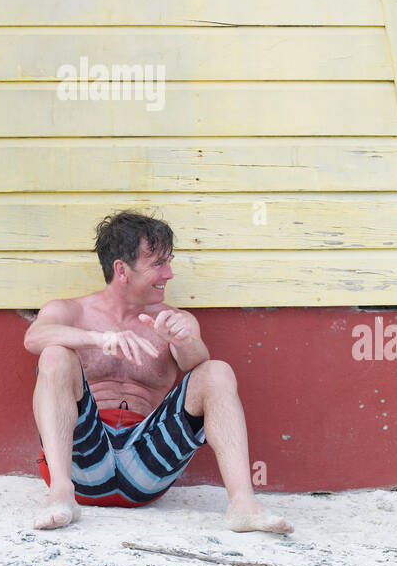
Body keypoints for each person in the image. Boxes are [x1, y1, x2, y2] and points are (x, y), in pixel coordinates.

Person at [23, 210, 295, 535]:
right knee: (54, 355)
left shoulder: (174, 319)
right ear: (121, 270)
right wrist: (98, 340)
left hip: (147, 462)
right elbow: (34, 338)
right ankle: (60, 496)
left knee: (218, 371)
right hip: (82, 465)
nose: (169, 273)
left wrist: (182, 340)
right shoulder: (70, 311)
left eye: (169, 261)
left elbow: (202, 370)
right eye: (157, 264)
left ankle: (243, 506)